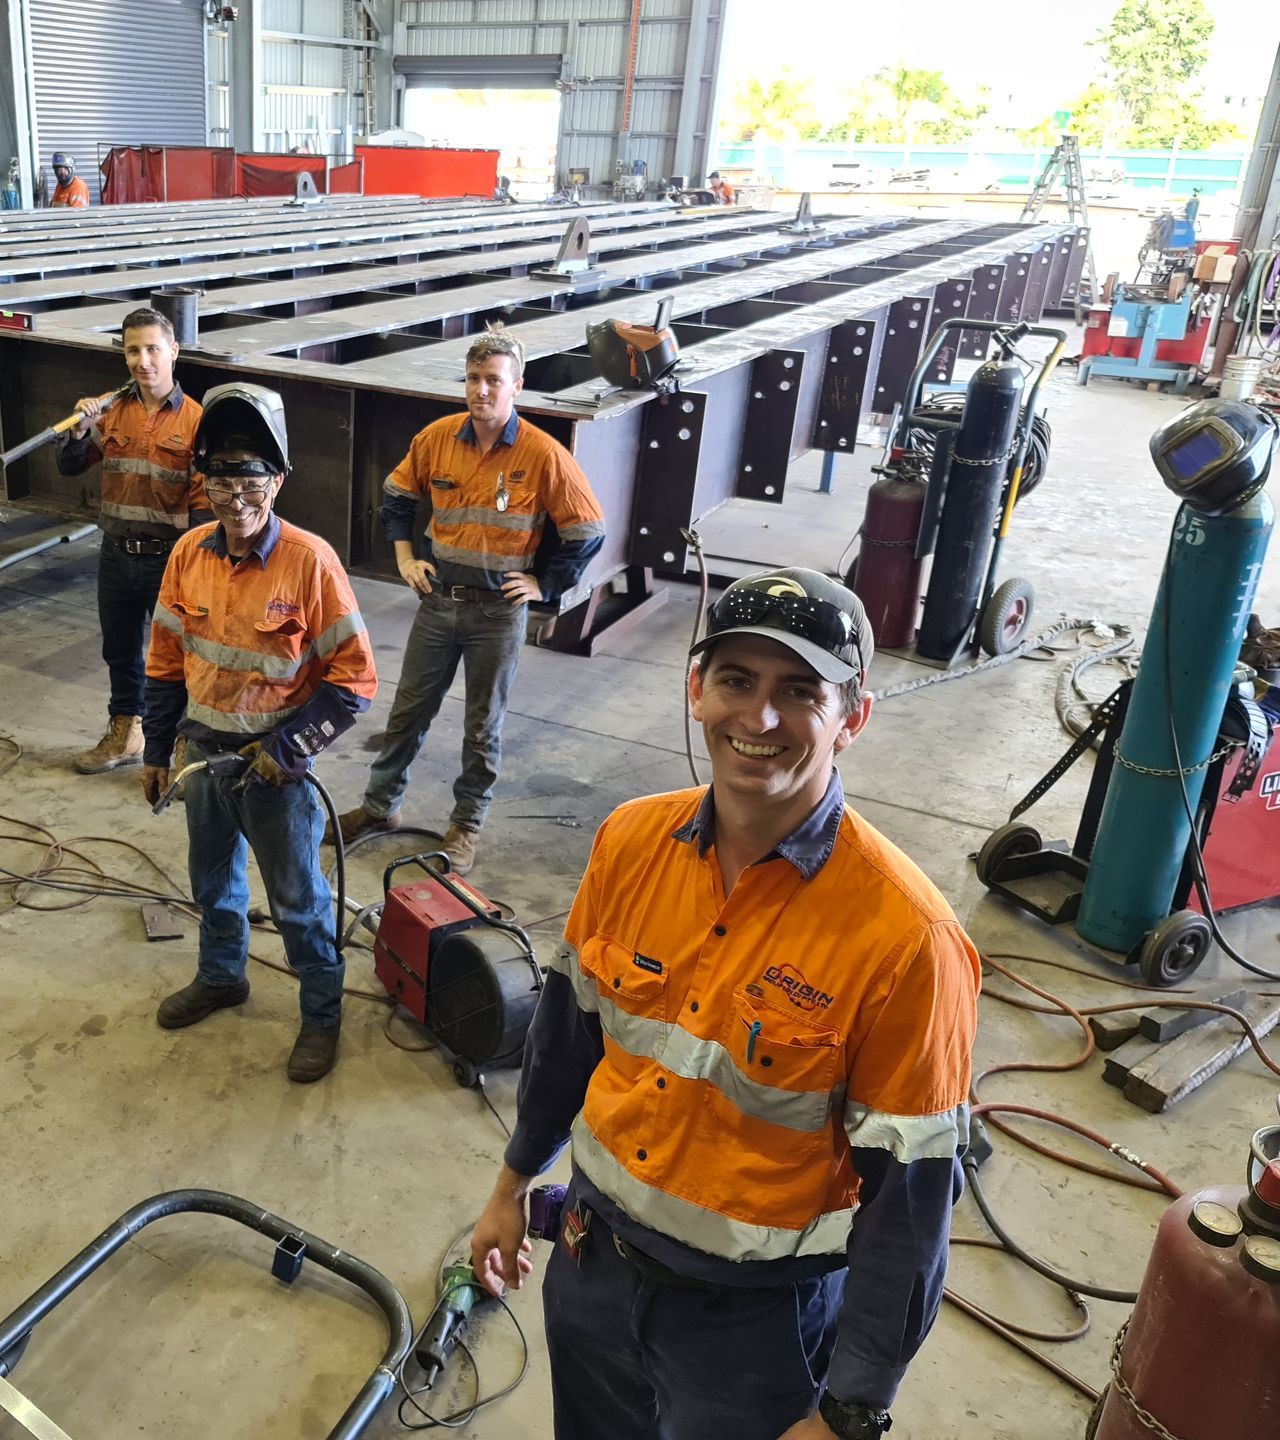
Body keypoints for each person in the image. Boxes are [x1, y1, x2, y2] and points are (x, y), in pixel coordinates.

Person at [467, 568, 981, 1440]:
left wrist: (851, 1407)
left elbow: (910, 1209)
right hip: (592, 1266)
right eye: (736, 681)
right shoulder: (629, 841)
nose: (761, 719)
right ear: (696, 690)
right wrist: (513, 1183)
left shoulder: (907, 939)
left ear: (852, 718)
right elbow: (568, 1037)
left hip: (753, 1329)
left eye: (800, 692)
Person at [140, 384, 377, 1083]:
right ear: (203, 483)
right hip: (203, 759)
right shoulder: (188, 553)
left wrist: (290, 748)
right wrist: (157, 750)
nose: (234, 496)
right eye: (220, 479)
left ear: (276, 482)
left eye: (250, 480)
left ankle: (322, 1015)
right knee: (212, 884)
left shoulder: (310, 563)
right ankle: (222, 977)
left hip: (274, 770)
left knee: (299, 900)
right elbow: (162, 662)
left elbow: (355, 681)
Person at [337, 324, 605, 874]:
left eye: (494, 381)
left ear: (517, 387)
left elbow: (587, 528)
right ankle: (379, 808)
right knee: (407, 713)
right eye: (474, 379)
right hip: (438, 603)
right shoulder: (436, 439)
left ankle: (465, 826)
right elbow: (395, 496)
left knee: (483, 727)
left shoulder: (542, 454)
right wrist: (406, 557)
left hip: (497, 613)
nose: (482, 390)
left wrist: (545, 586)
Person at [56, 307, 208, 773]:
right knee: (120, 651)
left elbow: (203, 507)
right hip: (117, 555)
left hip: (170, 561)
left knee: (180, 660)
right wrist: (79, 432)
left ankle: (182, 749)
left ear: (174, 352)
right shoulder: (109, 410)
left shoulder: (197, 421)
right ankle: (126, 734)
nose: (143, 361)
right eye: (132, 351)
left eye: (152, 350)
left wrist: (199, 568)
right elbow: (70, 466)